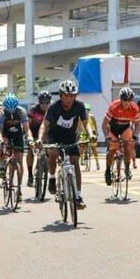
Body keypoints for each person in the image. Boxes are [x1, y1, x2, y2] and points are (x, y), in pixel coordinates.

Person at [38, 80, 93, 209]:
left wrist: (91, 135)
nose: (69, 99)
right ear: (61, 96)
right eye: (66, 96)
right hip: (54, 136)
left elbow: (86, 123)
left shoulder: (79, 106)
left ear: (75, 96)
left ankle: (78, 196)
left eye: (72, 95)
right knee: (53, 154)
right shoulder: (53, 107)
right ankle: (52, 178)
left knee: (75, 162)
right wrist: (40, 138)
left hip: (70, 137)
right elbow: (43, 125)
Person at [0, 93, 33, 203]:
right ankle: (2, 165)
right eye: (9, 110)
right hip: (6, 134)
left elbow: (26, 128)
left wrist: (30, 138)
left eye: (13, 109)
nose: (11, 112)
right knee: (3, 145)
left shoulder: (21, 111)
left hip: (18, 135)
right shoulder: (2, 113)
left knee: (19, 160)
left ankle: (19, 187)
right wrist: (1, 140)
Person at [102, 87, 140, 186]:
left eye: (129, 100)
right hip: (113, 128)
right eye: (124, 100)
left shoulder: (135, 108)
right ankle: (107, 170)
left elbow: (137, 125)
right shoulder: (114, 106)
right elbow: (104, 123)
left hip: (125, 128)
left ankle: (127, 168)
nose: (127, 102)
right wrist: (107, 136)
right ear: (121, 99)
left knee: (128, 146)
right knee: (112, 149)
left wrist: (135, 135)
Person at [26, 91, 51, 187]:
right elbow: (27, 125)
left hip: (46, 135)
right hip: (34, 133)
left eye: (47, 102)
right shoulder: (33, 110)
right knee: (30, 152)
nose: (45, 105)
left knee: (49, 153)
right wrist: (29, 138)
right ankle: (30, 176)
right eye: (42, 102)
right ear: (39, 102)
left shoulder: (51, 110)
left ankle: (42, 169)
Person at [80, 104, 100, 171]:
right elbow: (79, 127)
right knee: (82, 147)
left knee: (94, 148)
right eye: (85, 110)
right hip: (84, 133)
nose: (86, 111)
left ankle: (97, 162)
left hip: (92, 132)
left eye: (87, 110)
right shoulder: (80, 117)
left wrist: (96, 132)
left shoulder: (91, 117)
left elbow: (95, 125)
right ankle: (82, 158)